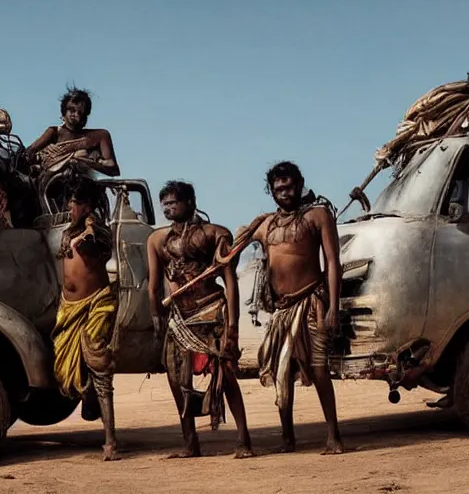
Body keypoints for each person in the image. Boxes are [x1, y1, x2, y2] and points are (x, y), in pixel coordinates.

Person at [216, 161, 346, 454]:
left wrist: (333, 307)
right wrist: (226, 247)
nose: (285, 193)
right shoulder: (265, 224)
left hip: (312, 301)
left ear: (300, 184)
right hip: (281, 311)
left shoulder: (318, 216)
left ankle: (333, 436)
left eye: (289, 186)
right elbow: (230, 252)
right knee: (281, 373)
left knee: (320, 369)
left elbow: (333, 262)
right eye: (279, 189)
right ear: (272, 193)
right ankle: (288, 438)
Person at [146, 180, 253, 459]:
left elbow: (230, 282)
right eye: (165, 204)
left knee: (225, 376)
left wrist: (233, 328)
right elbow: (153, 286)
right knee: (176, 379)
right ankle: (190, 443)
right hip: (179, 318)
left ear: (190, 202)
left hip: (211, 310)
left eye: (174, 203)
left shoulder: (215, 234)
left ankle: (243, 440)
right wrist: (156, 316)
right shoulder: (157, 240)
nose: (168, 209)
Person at [50, 180, 120, 461]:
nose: (70, 207)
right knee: (63, 367)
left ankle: (111, 442)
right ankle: (89, 399)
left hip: (96, 305)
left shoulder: (97, 230)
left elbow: (99, 251)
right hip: (69, 308)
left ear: (88, 207)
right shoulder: (70, 231)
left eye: (75, 203)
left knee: (99, 367)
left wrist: (90, 230)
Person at [25, 87, 119, 175]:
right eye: (72, 110)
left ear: (85, 116)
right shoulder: (54, 132)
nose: (75, 115)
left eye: (80, 112)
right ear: (64, 111)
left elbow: (113, 169)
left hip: (82, 185)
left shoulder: (99, 136)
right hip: (52, 183)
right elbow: (28, 152)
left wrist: (83, 160)